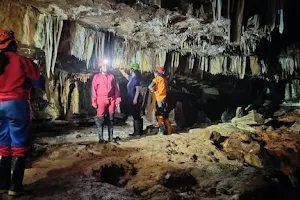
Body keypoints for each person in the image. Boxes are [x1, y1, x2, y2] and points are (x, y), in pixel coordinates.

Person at [0, 30, 40, 196]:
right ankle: (15, 187)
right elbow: (36, 75)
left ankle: (2, 184)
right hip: (16, 103)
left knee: (3, 144)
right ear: (12, 44)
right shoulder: (20, 60)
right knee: (19, 144)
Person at [92, 59, 121, 143]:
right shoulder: (96, 77)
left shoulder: (111, 76)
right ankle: (101, 138)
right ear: (100, 67)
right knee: (100, 119)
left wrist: (117, 99)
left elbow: (116, 89)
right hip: (101, 99)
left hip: (111, 99)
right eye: (104, 66)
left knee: (111, 119)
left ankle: (110, 138)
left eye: (106, 66)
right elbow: (93, 90)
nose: (106, 67)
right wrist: (94, 101)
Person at [119, 63, 143, 136]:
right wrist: (121, 70)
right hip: (131, 98)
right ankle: (137, 131)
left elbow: (138, 89)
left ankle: (137, 132)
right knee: (135, 115)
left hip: (136, 99)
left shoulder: (136, 79)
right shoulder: (132, 78)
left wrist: (135, 99)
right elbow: (126, 76)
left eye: (131, 69)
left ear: (132, 70)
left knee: (136, 115)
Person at [148, 66, 172, 135]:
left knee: (159, 114)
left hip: (158, 99)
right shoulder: (165, 80)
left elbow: (150, 86)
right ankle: (169, 130)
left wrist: (154, 91)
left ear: (157, 73)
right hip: (164, 99)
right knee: (165, 114)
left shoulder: (157, 79)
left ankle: (161, 131)